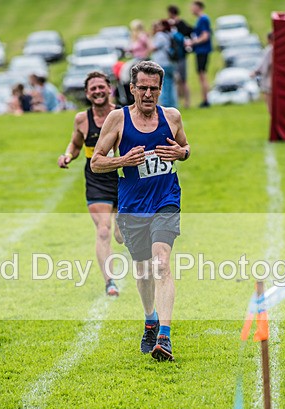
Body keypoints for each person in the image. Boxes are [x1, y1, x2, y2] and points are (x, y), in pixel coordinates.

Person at [91, 61, 190, 361]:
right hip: (133, 205)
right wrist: (123, 161)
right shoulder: (117, 119)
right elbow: (96, 162)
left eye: (154, 89)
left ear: (161, 89)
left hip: (165, 199)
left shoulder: (171, 116)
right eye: (142, 88)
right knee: (144, 269)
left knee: (161, 263)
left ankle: (165, 337)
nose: (148, 94)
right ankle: (150, 319)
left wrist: (181, 153)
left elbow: (184, 148)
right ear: (132, 89)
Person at [57, 72, 123, 297]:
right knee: (103, 230)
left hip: (123, 177)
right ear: (87, 93)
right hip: (96, 180)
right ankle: (110, 282)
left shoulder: (122, 114)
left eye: (101, 87)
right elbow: (75, 145)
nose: (97, 91)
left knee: (121, 234)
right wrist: (67, 156)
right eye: (92, 88)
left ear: (109, 89)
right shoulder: (82, 120)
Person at [186, 1, 213, 108]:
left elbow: (205, 36)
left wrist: (192, 42)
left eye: (193, 7)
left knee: (203, 75)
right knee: (201, 75)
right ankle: (205, 99)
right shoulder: (201, 19)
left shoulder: (203, 19)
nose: (191, 9)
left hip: (203, 50)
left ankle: (206, 100)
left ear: (198, 7)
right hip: (200, 51)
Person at [167, 5, 193, 108]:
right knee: (177, 80)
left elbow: (187, 36)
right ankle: (178, 101)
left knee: (183, 80)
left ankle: (187, 102)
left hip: (181, 56)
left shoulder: (180, 25)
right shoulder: (172, 25)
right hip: (175, 57)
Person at [150, 20, 177, 108]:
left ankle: (166, 104)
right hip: (170, 62)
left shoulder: (160, 35)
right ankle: (173, 103)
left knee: (163, 85)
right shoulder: (168, 34)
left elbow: (153, 47)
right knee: (170, 84)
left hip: (162, 63)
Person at [253, 32, 274, 114]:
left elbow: (263, 66)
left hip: (269, 79)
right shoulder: (281, 49)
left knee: (270, 103)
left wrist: (255, 72)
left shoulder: (269, 50)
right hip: (277, 80)